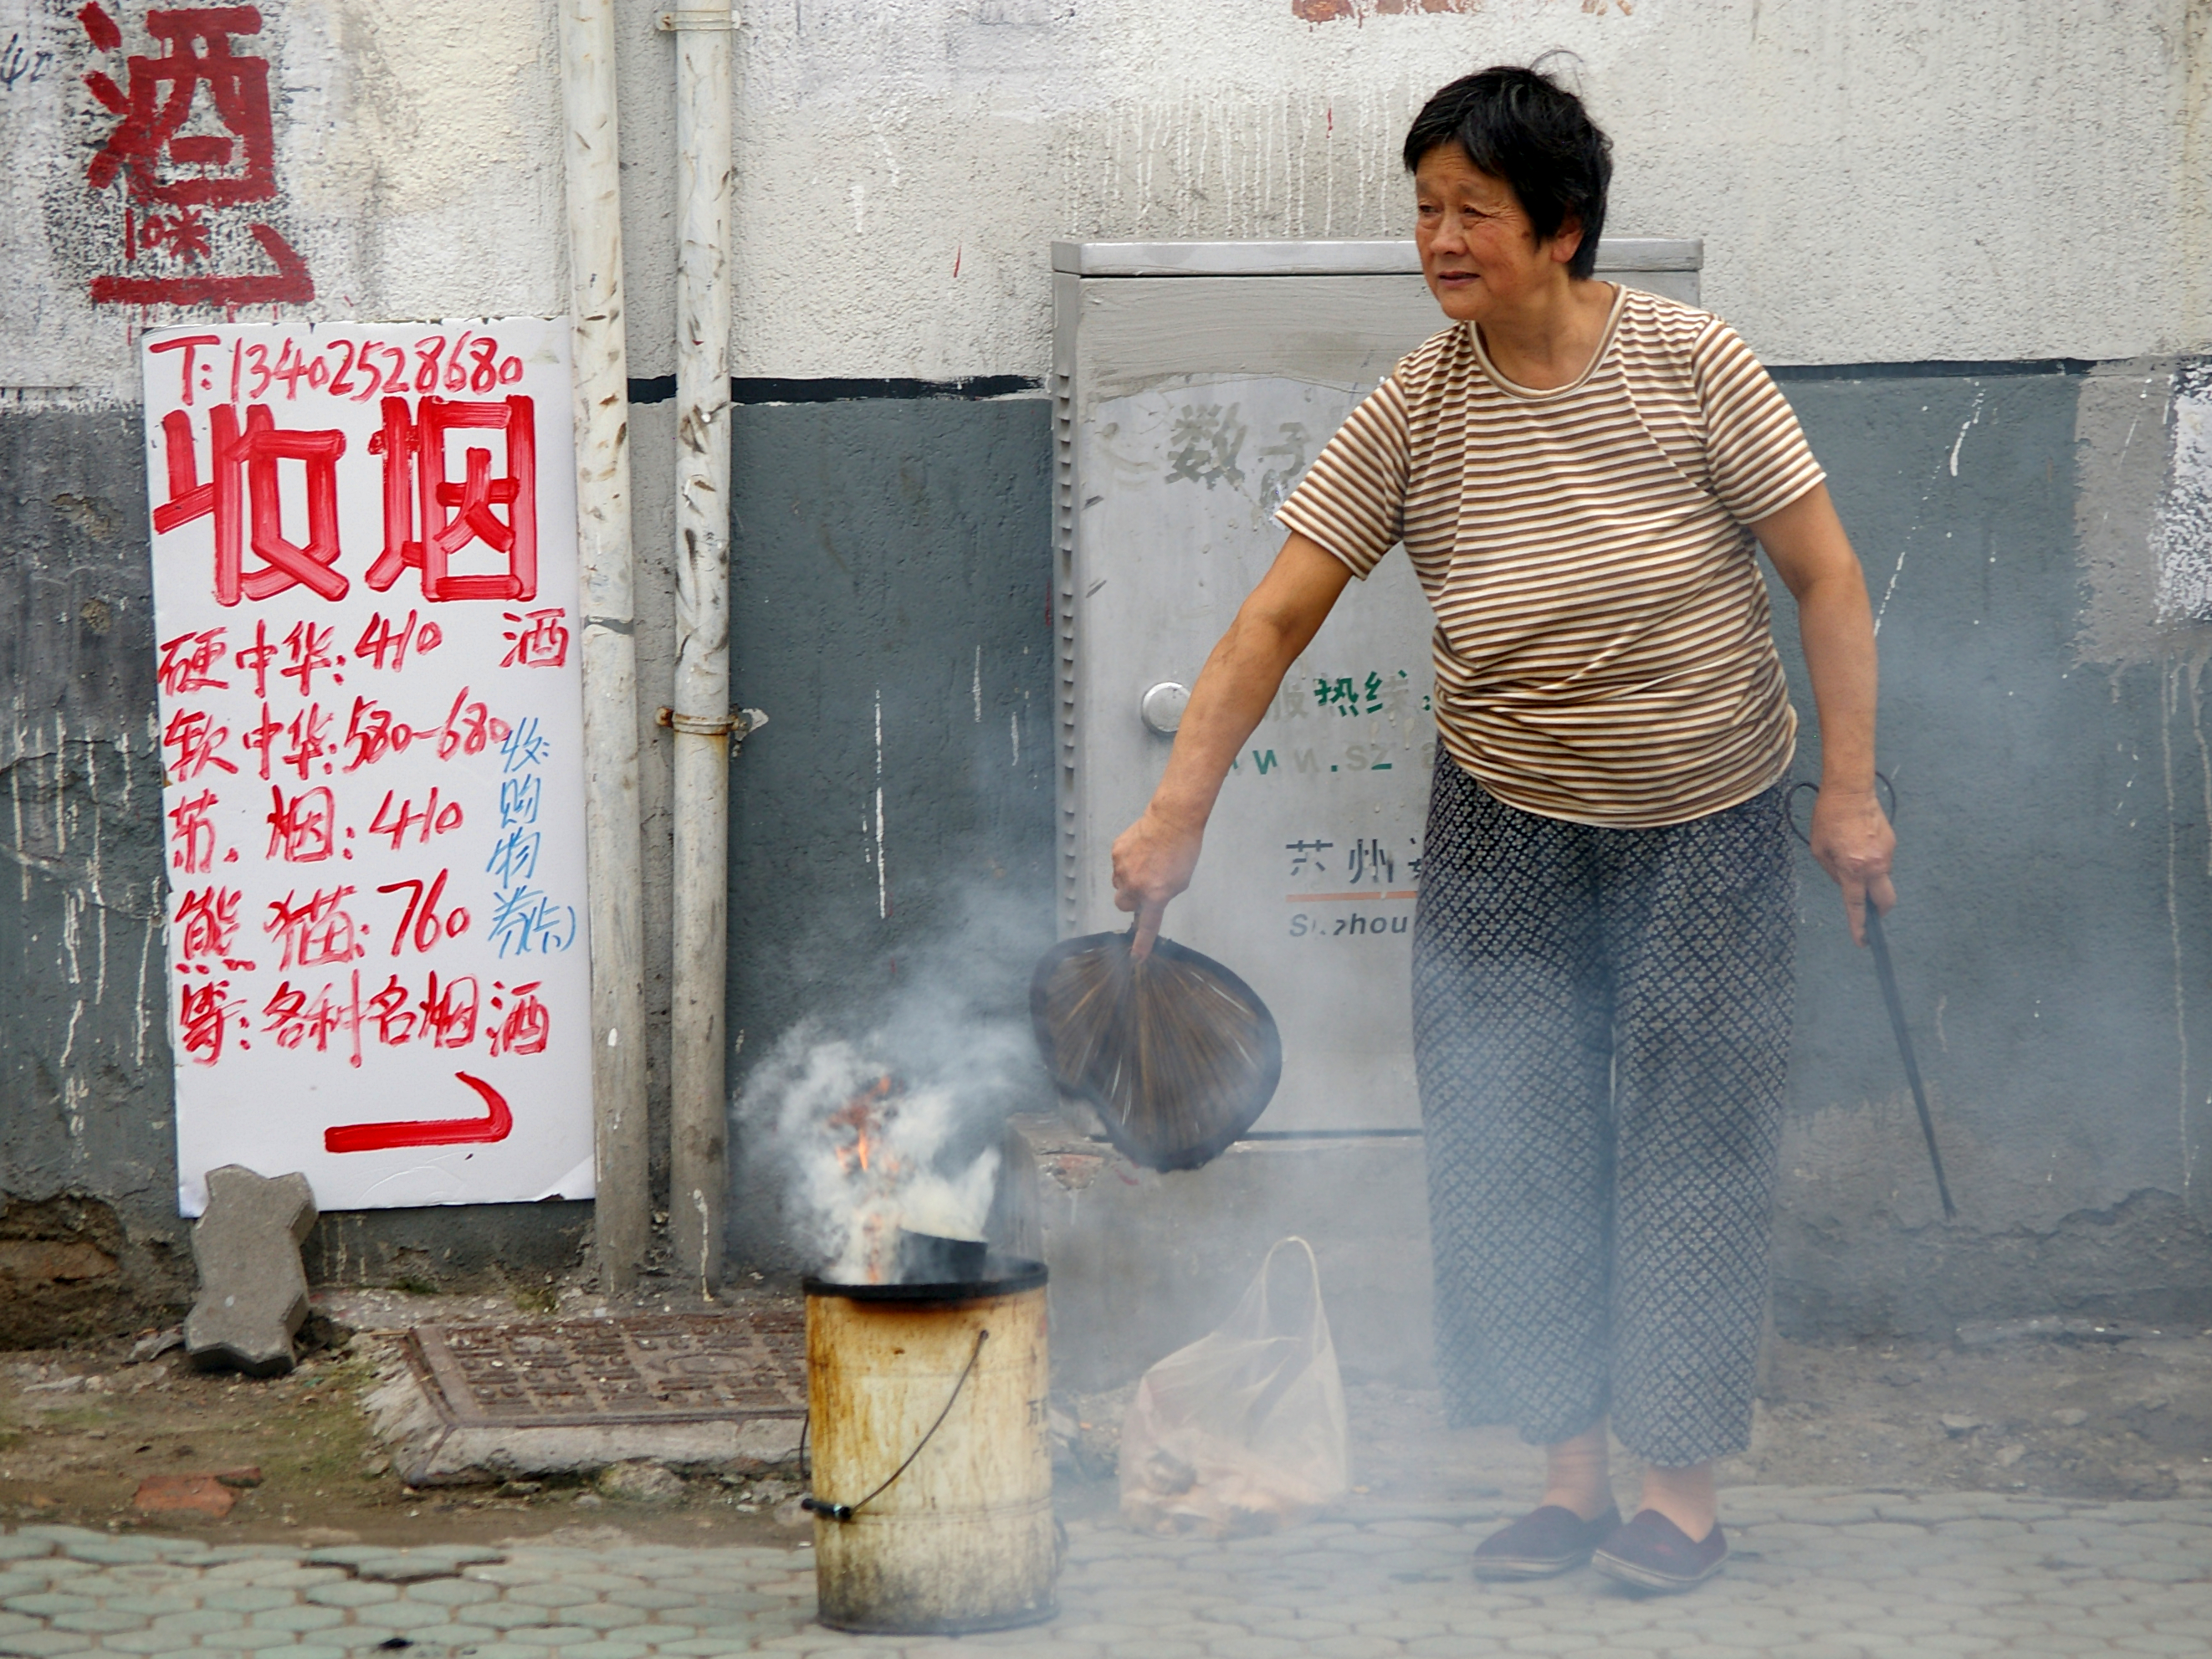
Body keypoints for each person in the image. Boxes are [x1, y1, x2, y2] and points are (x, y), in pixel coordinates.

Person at [1109, 63, 1895, 1594]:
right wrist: (1174, 813)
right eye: (1424, 208)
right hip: (1505, 820)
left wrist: (1850, 795)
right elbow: (1273, 619)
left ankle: (1679, 1500)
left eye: (1472, 209)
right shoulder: (1416, 407)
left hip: (1706, 815)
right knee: (1513, 1138)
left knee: (1688, 1144)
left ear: (1563, 228)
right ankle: (1565, 1477)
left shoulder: (1690, 364)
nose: (1440, 239)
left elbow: (1827, 578)